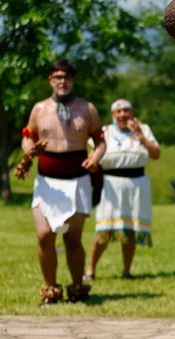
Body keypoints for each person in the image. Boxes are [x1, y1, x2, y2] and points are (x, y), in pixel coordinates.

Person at [14, 59, 106, 305]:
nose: (62, 81)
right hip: (46, 182)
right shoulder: (39, 109)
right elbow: (27, 135)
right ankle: (49, 289)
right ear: (50, 80)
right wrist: (28, 150)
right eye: (57, 77)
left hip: (77, 180)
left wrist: (96, 157)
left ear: (72, 80)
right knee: (44, 235)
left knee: (72, 239)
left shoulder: (87, 108)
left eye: (66, 77)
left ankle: (76, 287)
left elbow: (99, 140)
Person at [85, 98, 160, 280]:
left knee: (130, 230)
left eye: (126, 110)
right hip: (111, 184)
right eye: (118, 112)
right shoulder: (104, 132)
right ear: (112, 115)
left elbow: (156, 154)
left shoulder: (144, 129)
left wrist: (141, 136)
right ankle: (90, 270)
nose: (122, 114)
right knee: (104, 229)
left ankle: (127, 271)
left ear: (132, 113)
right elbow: (92, 155)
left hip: (137, 184)